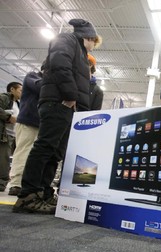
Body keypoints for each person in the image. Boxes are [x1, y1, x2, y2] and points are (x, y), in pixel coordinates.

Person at [13, 18, 101, 214]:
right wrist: (70, 95)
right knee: (45, 147)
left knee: (55, 152)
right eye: (93, 42)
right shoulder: (66, 40)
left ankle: (43, 192)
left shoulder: (78, 50)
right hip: (57, 103)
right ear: (88, 36)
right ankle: (28, 195)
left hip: (65, 107)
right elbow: (61, 65)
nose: (93, 46)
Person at [7, 65, 44, 196]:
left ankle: (31, 183)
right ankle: (16, 184)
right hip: (28, 121)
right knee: (23, 151)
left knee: (35, 155)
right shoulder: (33, 76)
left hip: (41, 124)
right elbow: (42, 88)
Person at [0, 82, 22, 192]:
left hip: (13, 136)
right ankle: (1, 183)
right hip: (5, 135)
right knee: (4, 161)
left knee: (7, 160)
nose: (22, 93)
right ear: (12, 89)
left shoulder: (18, 103)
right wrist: (9, 117)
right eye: (20, 90)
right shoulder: (4, 98)